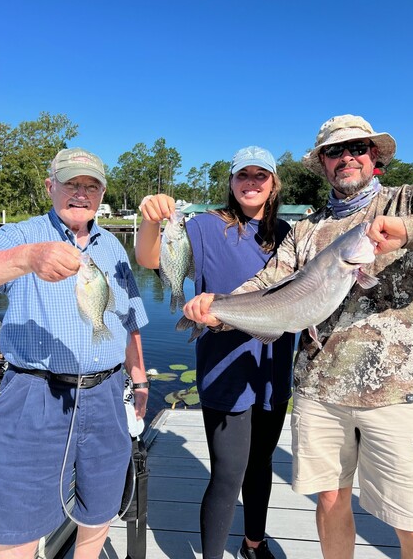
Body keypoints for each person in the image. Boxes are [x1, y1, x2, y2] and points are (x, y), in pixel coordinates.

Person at [183, 115, 413, 559]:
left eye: (357, 147)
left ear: (374, 156)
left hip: (392, 394)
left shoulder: (407, 202)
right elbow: (267, 284)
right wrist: (214, 309)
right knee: (331, 503)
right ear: (322, 163)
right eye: (335, 151)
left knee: (412, 523)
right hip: (319, 394)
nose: (346, 157)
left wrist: (406, 231)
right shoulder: (306, 229)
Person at [135, 146, 295, 559]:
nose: (251, 183)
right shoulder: (206, 227)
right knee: (228, 473)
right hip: (223, 367)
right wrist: (151, 221)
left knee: (260, 466)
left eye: (261, 176)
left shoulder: (291, 235)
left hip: (272, 368)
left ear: (274, 184)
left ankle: (253, 544)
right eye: (243, 175)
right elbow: (151, 257)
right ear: (230, 182)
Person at [0, 148, 149, 559]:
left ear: (101, 194)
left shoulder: (113, 247)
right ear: (51, 187)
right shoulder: (20, 236)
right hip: (34, 395)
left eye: (91, 186)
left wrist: (140, 378)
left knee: (98, 513)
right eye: (72, 184)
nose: (81, 194)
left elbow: (129, 319)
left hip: (107, 393)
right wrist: (27, 259)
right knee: (18, 527)